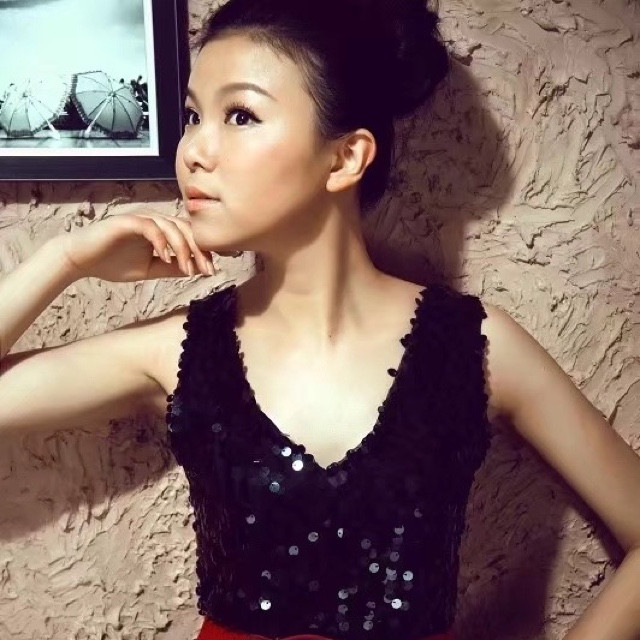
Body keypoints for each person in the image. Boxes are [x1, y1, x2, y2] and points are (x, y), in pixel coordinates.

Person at [0, 0, 639, 638]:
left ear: (345, 158)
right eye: (193, 117)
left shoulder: (475, 347)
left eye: (240, 115)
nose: (192, 150)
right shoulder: (180, 349)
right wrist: (65, 259)